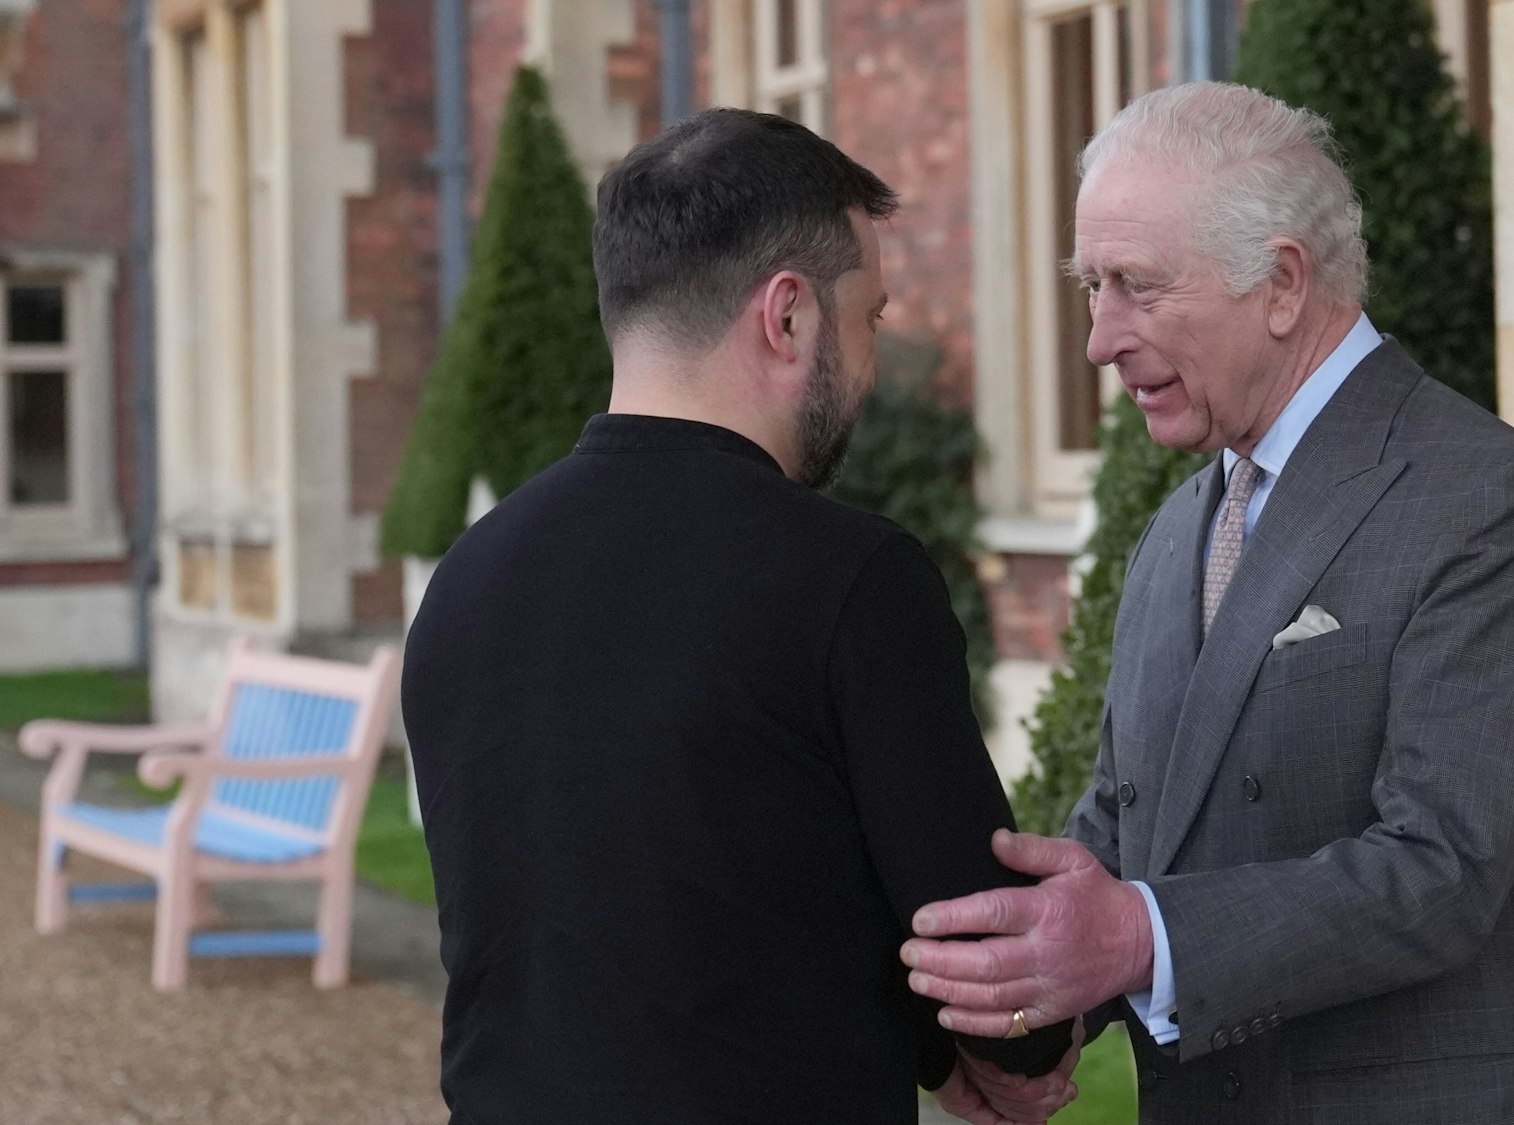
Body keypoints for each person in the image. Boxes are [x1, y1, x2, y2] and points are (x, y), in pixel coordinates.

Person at [900, 82, 1514, 1124]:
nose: (1099, 339)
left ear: (1281, 283)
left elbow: (1442, 867)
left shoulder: (1490, 503)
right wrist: (1021, 1006)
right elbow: (1128, 825)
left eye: (1136, 288)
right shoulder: (1177, 526)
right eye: (1089, 286)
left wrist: (1133, 941)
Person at [401, 108, 1075, 1125]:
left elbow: (635, 904)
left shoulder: (467, 576)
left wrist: (923, 1050)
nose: (866, 361)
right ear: (788, 315)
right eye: (869, 318)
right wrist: (1026, 1048)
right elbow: (978, 946)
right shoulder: (851, 579)